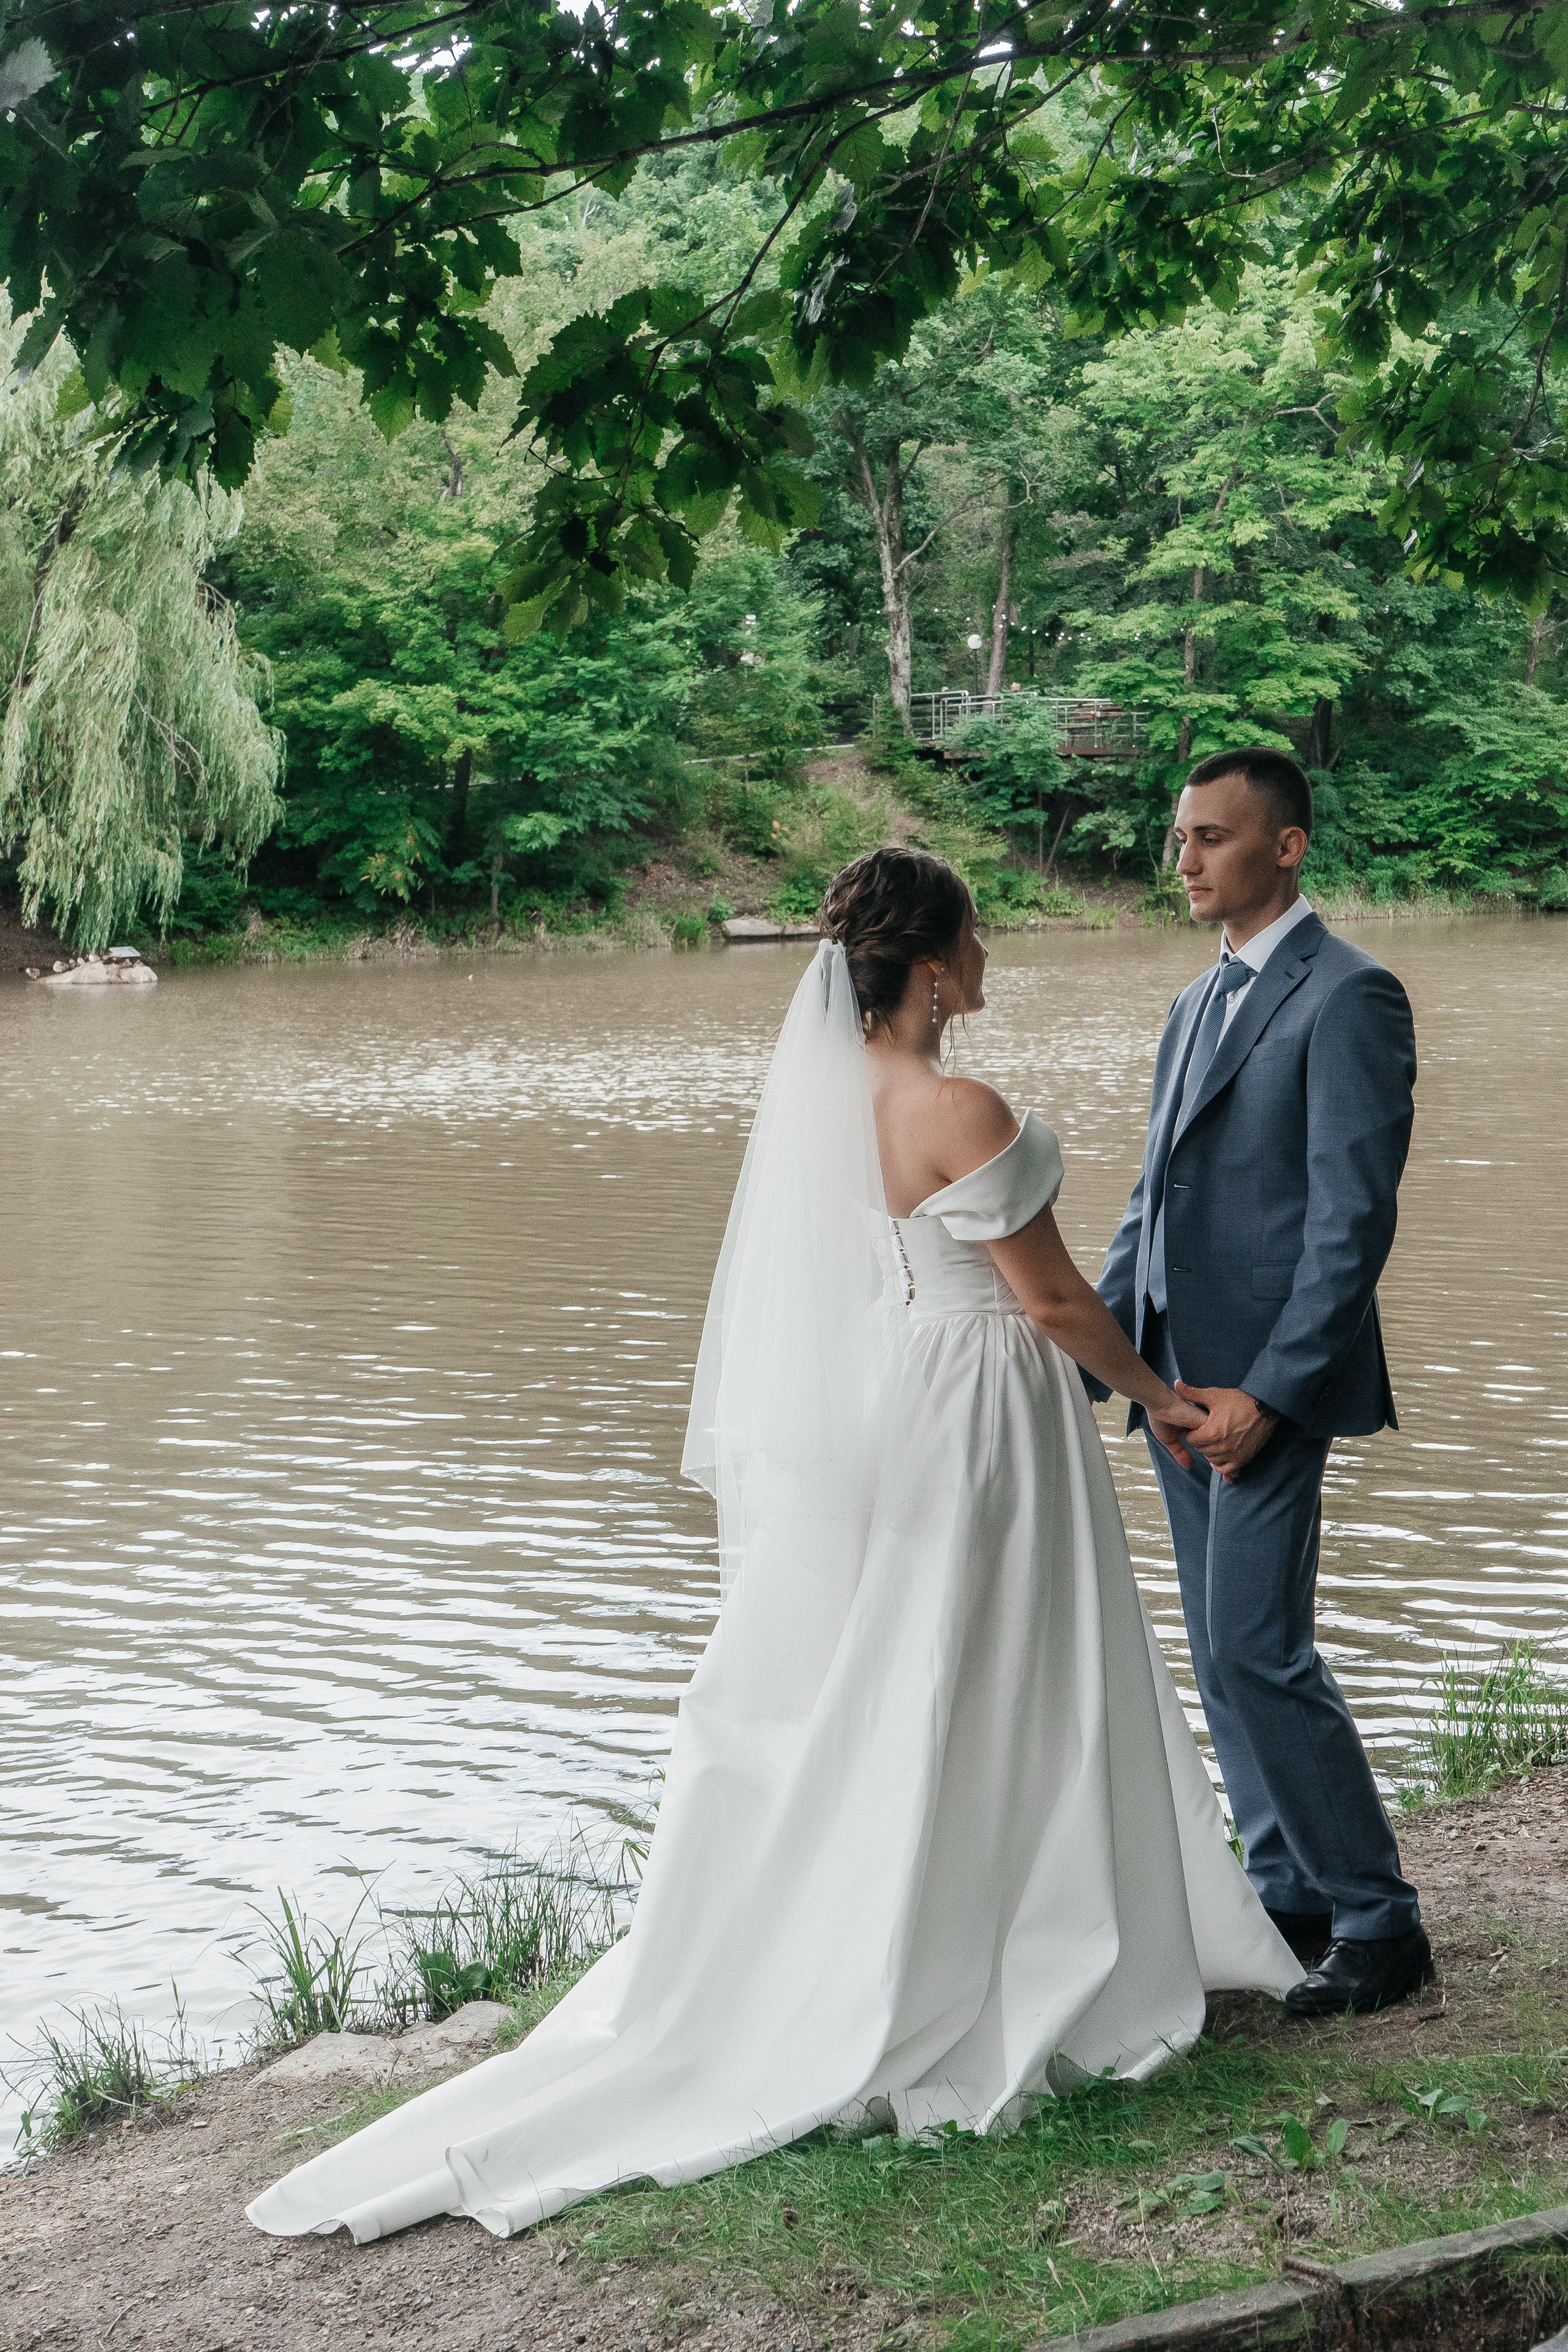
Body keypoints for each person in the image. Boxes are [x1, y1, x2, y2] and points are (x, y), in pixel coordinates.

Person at [247, 846, 1298, 2248]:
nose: (987, 958)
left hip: (894, 1405)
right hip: (986, 1408)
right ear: (931, 965)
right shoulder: (956, 1105)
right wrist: (1167, 1398)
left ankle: (914, 1916)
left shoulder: (823, 1099)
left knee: (917, 1661)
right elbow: (1048, 1301)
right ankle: (1011, 1940)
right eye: (974, 939)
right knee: (1009, 1659)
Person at [1090, 748, 1429, 2016]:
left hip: (1267, 1395)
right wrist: (1095, 1366)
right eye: (1179, 836)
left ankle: (1379, 1923)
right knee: (1220, 1653)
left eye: (1212, 838)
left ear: (1283, 847)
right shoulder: (1193, 1002)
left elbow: (1351, 1221)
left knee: (1254, 1645)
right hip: (1176, 1385)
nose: (1184, 858)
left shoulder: (1349, 995)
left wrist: (1270, 1393)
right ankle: (1283, 1891)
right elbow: (1149, 1209)